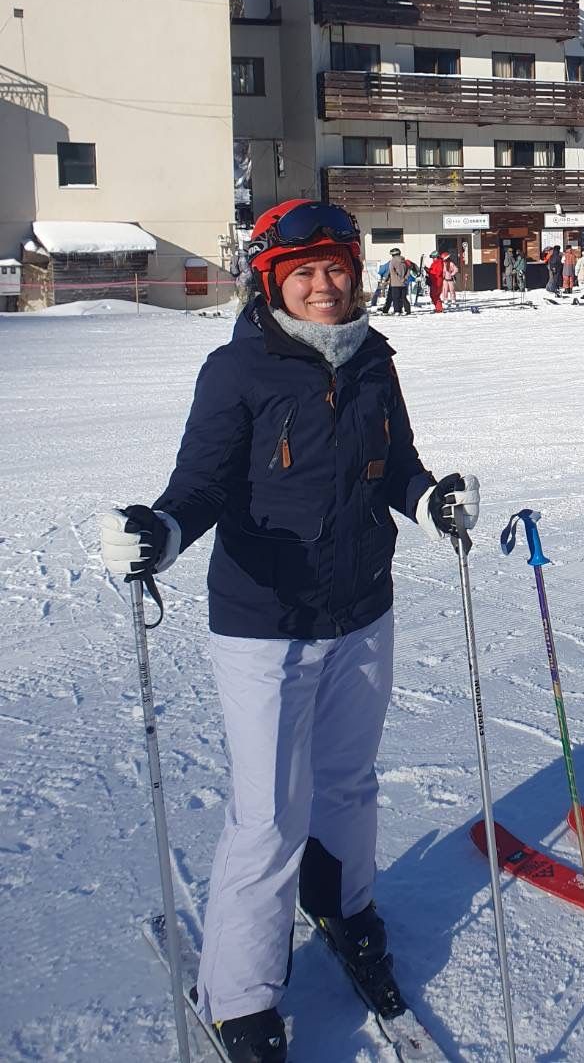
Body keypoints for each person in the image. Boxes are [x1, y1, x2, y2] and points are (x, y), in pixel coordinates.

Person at [98, 200, 480, 1063]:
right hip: (266, 623)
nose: (323, 284)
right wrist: (161, 531)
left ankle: (341, 902)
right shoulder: (237, 370)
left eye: (335, 267)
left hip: (362, 608)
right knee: (270, 812)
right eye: (302, 271)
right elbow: (200, 485)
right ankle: (239, 995)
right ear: (271, 280)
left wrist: (429, 500)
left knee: (348, 782)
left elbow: (397, 463)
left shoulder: (374, 359)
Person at [381, 248, 411, 316]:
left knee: (395, 298)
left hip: (395, 283)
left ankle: (397, 310)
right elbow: (408, 271)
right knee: (403, 297)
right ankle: (407, 310)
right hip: (403, 283)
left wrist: (386, 279)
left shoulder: (393, 261)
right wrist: (404, 278)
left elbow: (391, 271)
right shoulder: (404, 261)